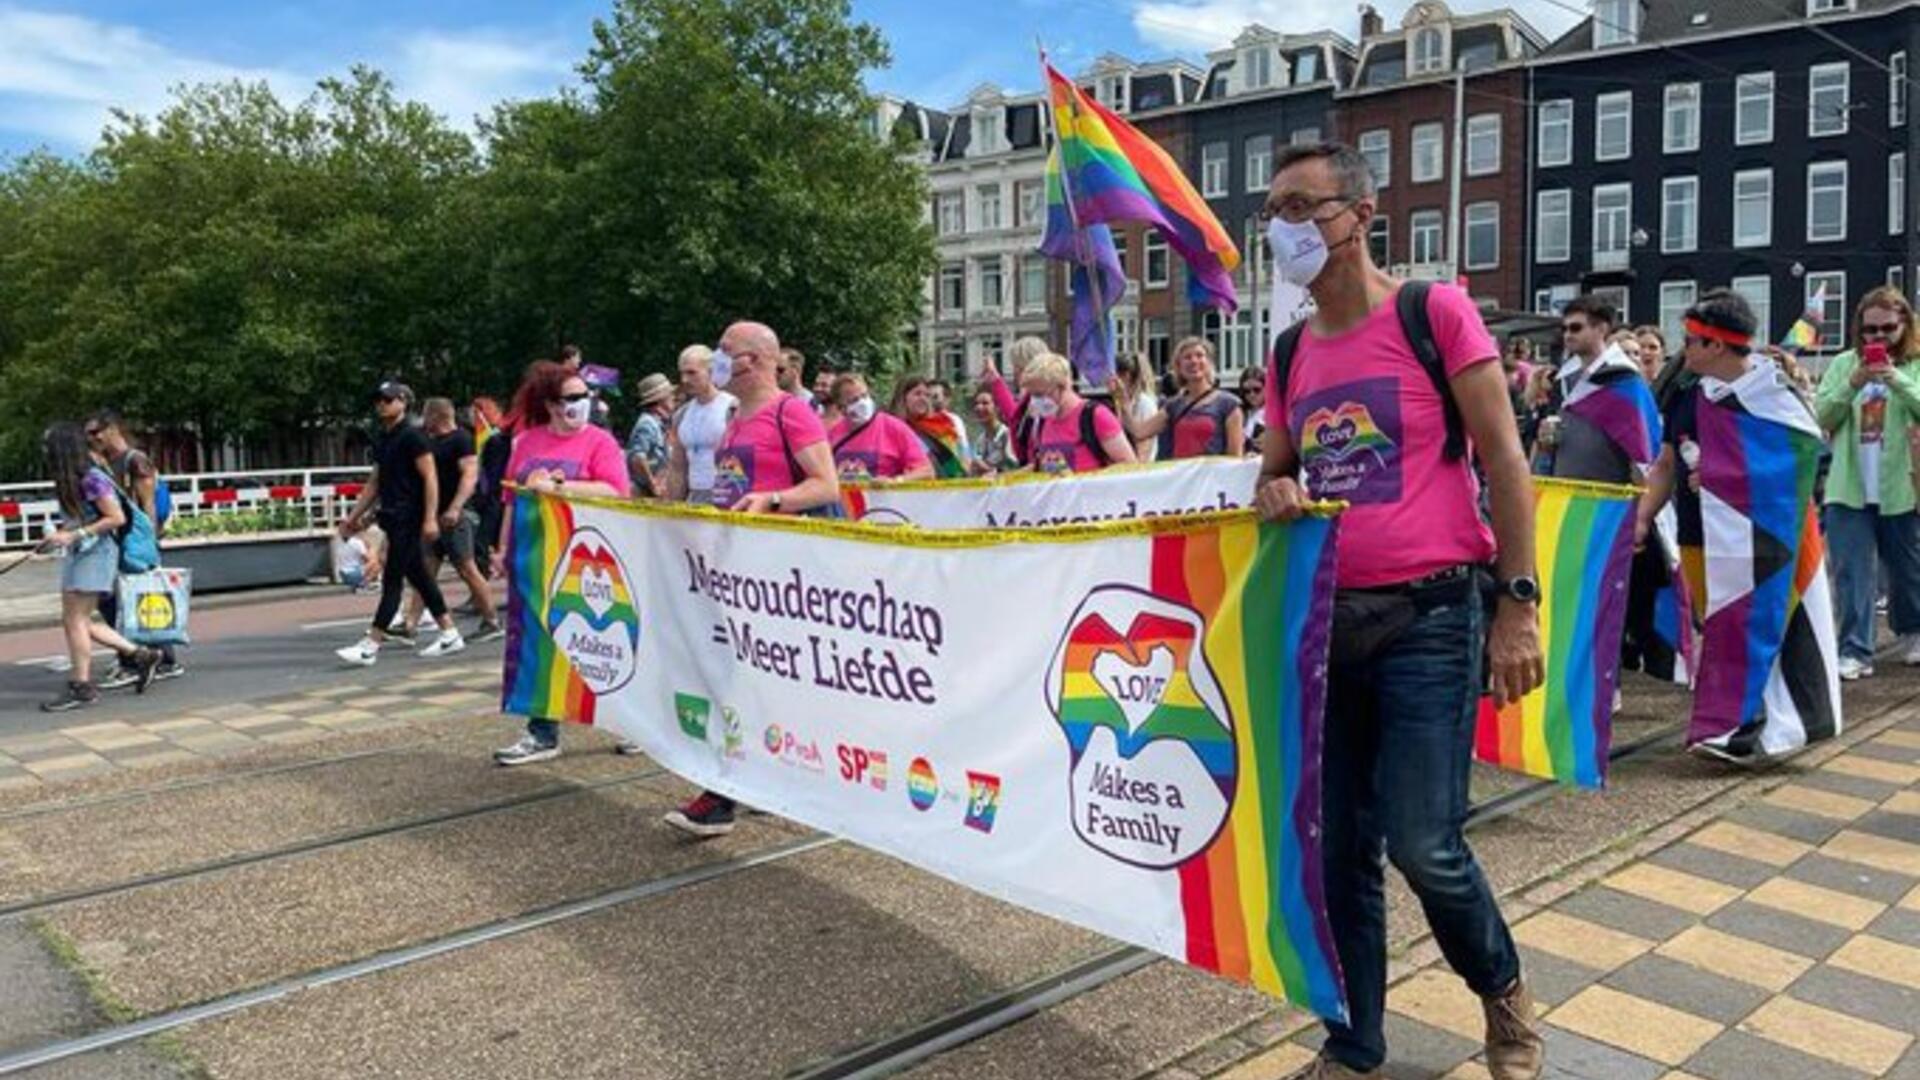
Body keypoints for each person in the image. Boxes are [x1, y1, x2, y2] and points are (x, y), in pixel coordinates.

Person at [1256, 142, 1544, 1080]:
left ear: (1361, 212)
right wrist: (1277, 491)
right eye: (1275, 211)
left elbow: (1506, 461)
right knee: (1342, 848)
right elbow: (1276, 469)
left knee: (1425, 841)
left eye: (1303, 205)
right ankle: (1354, 1040)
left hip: (1431, 617)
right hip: (1329, 628)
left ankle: (1501, 990)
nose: (1285, 227)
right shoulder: (1291, 350)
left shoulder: (1434, 312)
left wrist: (1517, 606)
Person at [1637, 289, 1840, 761]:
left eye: (1691, 339)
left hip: (1770, 543)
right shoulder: (1688, 396)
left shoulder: (1773, 395)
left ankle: (1766, 731)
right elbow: (1665, 463)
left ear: (1716, 345)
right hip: (1701, 537)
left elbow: (1805, 461)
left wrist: (1726, 474)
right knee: (1723, 634)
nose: (1682, 349)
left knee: (1766, 630)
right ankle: (1733, 725)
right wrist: (1644, 517)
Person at [666, 321, 840, 837]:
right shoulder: (735, 417)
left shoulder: (793, 412)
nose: (718, 359)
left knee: (759, 679)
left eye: (725, 351)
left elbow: (825, 483)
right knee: (743, 676)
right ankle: (750, 780)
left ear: (755, 361)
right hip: (737, 568)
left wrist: (775, 500)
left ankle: (724, 794)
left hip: (783, 571)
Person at [493, 362, 635, 766]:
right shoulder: (526, 442)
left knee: (599, 638)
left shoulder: (601, 442)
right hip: (535, 555)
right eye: (572, 397)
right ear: (551, 404)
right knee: (537, 642)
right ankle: (542, 730)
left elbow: (615, 491)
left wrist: (558, 485)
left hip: (589, 558)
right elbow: (511, 498)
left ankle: (629, 723)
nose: (582, 404)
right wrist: (504, 548)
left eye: (584, 396)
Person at [1813, 285, 1920, 679]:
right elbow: (1822, 416)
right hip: (1849, 484)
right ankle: (1855, 648)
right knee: (1851, 571)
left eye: (1886, 329)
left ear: (1904, 325)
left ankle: (1912, 630)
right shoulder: (1844, 364)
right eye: (1869, 330)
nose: (1877, 338)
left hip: (1903, 484)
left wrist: (1897, 380)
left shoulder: (1915, 364)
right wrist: (1853, 382)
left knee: (1909, 567)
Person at [334, 383, 466, 666]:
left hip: (410, 517)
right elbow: (375, 483)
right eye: (378, 399)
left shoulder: (414, 437)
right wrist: (354, 517)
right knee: (418, 575)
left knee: (393, 580)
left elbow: (430, 478)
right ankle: (449, 632)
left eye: (388, 399)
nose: (381, 404)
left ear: (403, 402)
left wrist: (430, 518)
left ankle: (371, 644)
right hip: (393, 516)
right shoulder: (385, 438)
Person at [38, 423, 163, 711]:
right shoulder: (77, 478)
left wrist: (73, 535)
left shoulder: (91, 478)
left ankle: (82, 686)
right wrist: (61, 536)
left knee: (75, 620)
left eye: (49, 447)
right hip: (83, 552)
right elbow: (83, 518)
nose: (45, 452)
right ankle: (141, 655)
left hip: (94, 554)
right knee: (77, 620)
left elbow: (116, 517)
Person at [85, 411, 183, 683]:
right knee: (117, 600)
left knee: (137, 599)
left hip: (134, 543)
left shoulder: (136, 460)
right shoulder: (106, 461)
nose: (92, 438)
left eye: (96, 432)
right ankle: (139, 657)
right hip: (118, 540)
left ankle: (156, 659)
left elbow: (147, 505)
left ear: (113, 429)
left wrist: (149, 545)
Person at [398, 398, 502, 642]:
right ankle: (410, 623)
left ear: (437, 416)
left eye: (427, 417)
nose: (424, 422)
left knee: (467, 569)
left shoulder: (461, 440)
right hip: (433, 516)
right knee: (426, 572)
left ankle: (491, 621)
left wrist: (456, 508)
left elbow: (469, 476)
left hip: (455, 516)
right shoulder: (430, 443)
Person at [1110, 337, 1246, 459]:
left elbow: (1234, 458)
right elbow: (1139, 432)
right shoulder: (1173, 405)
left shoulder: (1229, 404)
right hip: (1183, 481)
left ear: (1209, 363)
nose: (1194, 361)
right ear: (1178, 367)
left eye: (1200, 356)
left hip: (1213, 483)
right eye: (1187, 357)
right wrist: (1120, 398)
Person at [1018, 353, 1136, 474]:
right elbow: (1040, 466)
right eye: (1032, 395)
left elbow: (1129, 465)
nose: (1036, 401)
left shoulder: (1095, 416)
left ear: (1063, 386)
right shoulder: (1042, 421)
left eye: (1040, 394)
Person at [826, 373, 933, 482]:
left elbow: (926, 471)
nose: (862, 403)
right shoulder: (832, 434)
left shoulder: (894, 428)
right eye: (854, 400)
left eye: (864, 395)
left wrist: (895, 481)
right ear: (841, 408)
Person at [666, 345, 738, 504]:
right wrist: (671, 507)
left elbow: (741, 461)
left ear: (710, 372)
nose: (685, 380)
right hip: (694, 496)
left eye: (692, 373)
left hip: (726, 496)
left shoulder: (732, 407)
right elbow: (678, 468)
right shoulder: (681, 414)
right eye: (682, 373)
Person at [980, 335, 1052, 466]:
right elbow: (1015, 417)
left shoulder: (1049, 400)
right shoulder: (1030, 398)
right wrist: (995, 380)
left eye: (1017, 366)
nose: (1014, 372)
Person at [893, 376, 972, 478]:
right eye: (917, 394)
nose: (923, 398)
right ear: (902, 397)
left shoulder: (943, 424)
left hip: (949, 488)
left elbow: (964, 461)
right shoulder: (892, 427)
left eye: (927, 395)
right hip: (909, 488)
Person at [471, 396, 511, 579]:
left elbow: (494, 474)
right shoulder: (487, 438)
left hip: (493, 498)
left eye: (475, 412)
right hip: (490, 497)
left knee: (481, 543)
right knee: (494, 544)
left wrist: (485, 495)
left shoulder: (495, 440)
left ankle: (480, 594)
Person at [626, 373, 676, 497]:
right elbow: (637, 458)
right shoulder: (647, 424)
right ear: (660, 400)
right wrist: (653, 485)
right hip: (644, 493)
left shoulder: (660, 424)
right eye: (670, 395)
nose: (673, 397)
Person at [1114, 353, 1160, 462]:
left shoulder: (1144, 403)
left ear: (1126, 376)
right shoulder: (1123, 402)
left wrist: (1137, 470)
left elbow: (1145, 445)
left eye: (1112, 375)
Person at [971, 389, 1015, 474]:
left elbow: (1015, 467)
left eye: (985, 403)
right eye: (976, 404)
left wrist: (988, 470)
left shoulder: (1007, 435)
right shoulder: (980, 440)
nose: (979, 407)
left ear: (997, 408)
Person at [1240, 364, 1268, 454]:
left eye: (1257, 390)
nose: (1252, 394)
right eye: (1247, 391)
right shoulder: (1239, 413)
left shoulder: (1275, 414)